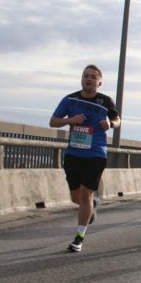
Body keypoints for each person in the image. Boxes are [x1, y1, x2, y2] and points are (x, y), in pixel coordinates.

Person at [49, 64, 121, 252]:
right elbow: (53, 121)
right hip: (73, 153)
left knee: (86, 194)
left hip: (96, 153)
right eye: (85, 76)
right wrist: (69, 121)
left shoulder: (105, 101)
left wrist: (110, 124)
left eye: (92, 77)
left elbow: (117, 120)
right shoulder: (70, 99)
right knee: (76, 197)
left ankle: (79, 237)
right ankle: (91, 206)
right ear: (82, 79)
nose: (88, 79)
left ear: (99, 82)